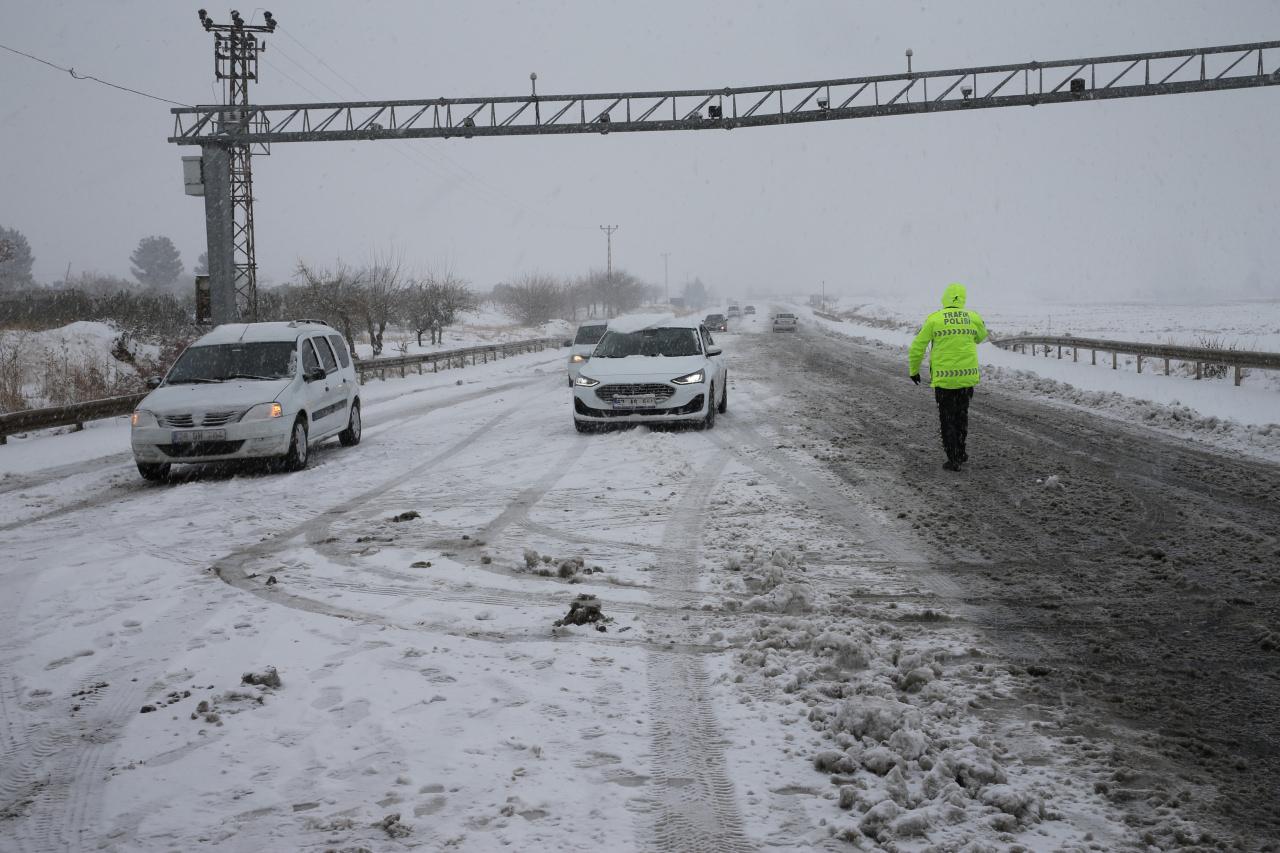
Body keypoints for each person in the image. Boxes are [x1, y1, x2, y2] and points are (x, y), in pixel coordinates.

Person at [908, 283, 989, 471]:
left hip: (944, 381)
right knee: (961, 416)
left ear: (944, 298)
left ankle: (953, 458)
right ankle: (960, 451)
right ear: (963, 298)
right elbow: (981, 337)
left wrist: (914, 370)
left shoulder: (934, 319)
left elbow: (917, 347)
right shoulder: (972, 317)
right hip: (966, 379)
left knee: (947, 419)